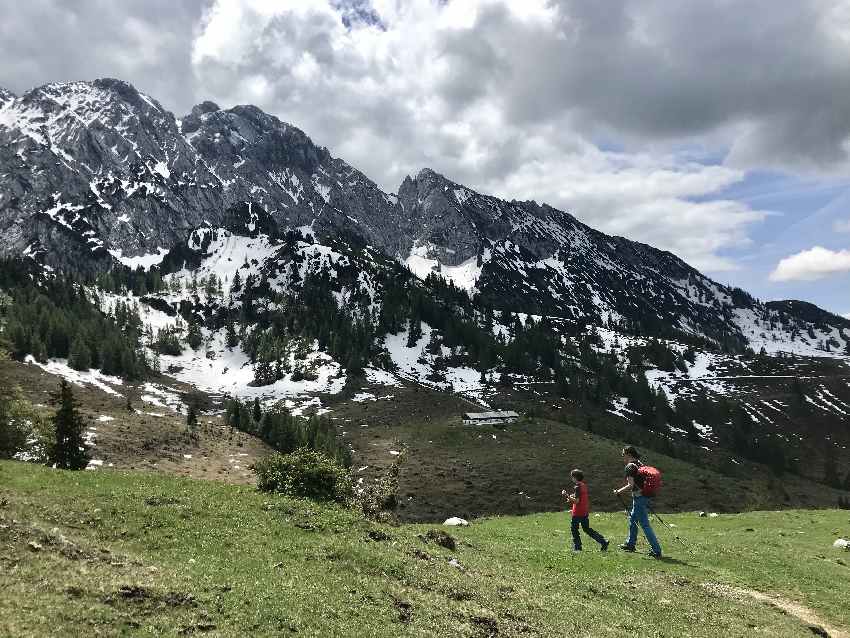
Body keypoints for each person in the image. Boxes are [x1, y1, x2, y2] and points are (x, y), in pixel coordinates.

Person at [613, 445, 662, 558]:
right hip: (644, 496)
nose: (622, 456)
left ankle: (656, 550)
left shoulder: (630, 467)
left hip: (639, 497)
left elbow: (631, 485)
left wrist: (618, 491)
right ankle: (630, 544)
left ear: (628, 454)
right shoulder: (639, 463)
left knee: (644, 524)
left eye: (623, 454)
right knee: (633, 519)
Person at [562, 469, 609, 552]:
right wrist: (571, 497)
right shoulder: (583, 485)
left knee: (574, 530)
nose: (571, 478)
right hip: (584, 511)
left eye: (572, 477)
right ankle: (603, 541)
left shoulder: (577, 486)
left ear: (575, 477)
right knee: (587, 529)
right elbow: (579, 496)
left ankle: (577, 548)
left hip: (577, 512)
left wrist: (566, 495)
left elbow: (576, 501)